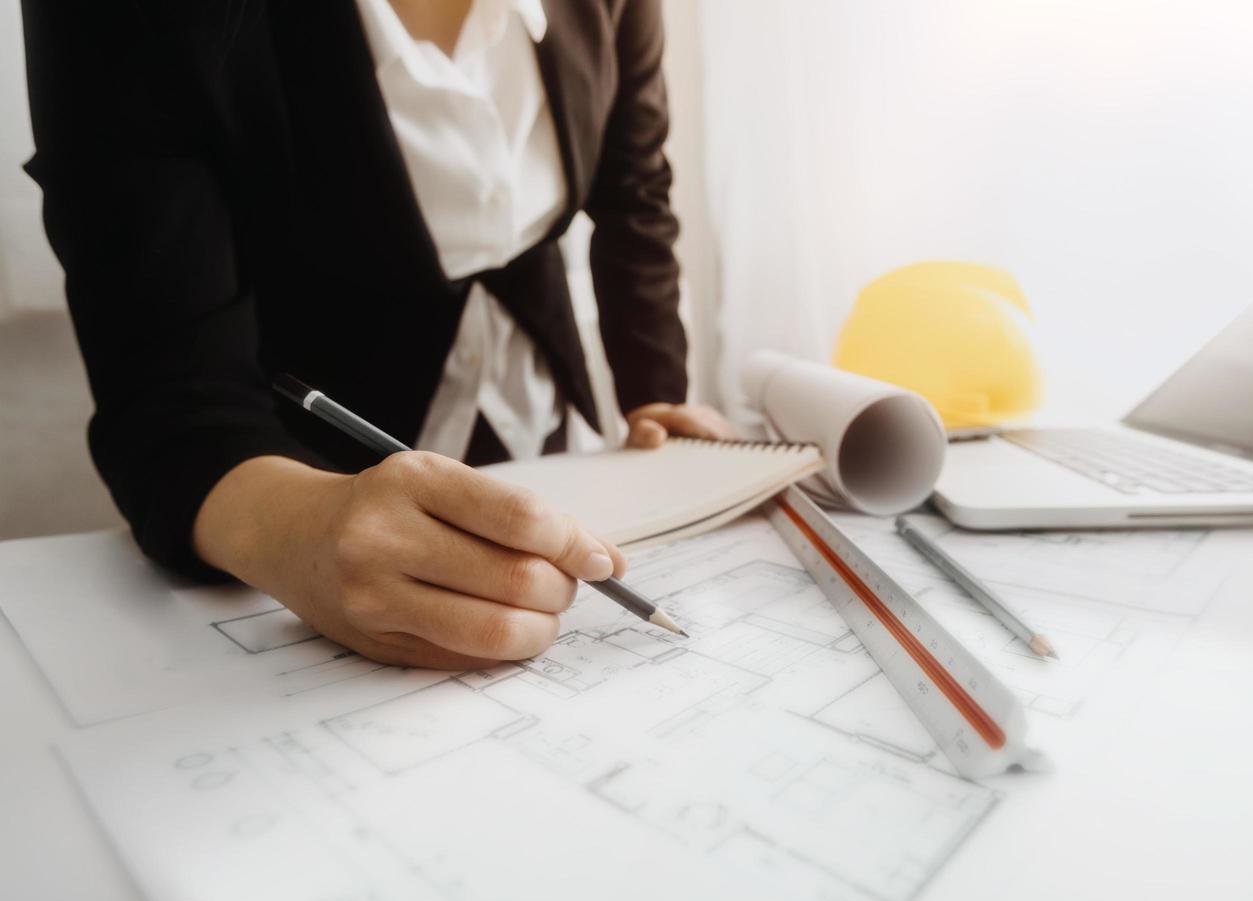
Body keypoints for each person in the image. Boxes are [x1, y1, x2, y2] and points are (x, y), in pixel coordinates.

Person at [21, 0, 734, 669]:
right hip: (303, 456)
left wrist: (655, 394)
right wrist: (298, 531)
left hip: (545, 422)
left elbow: (635, 194)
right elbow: (167, 395)